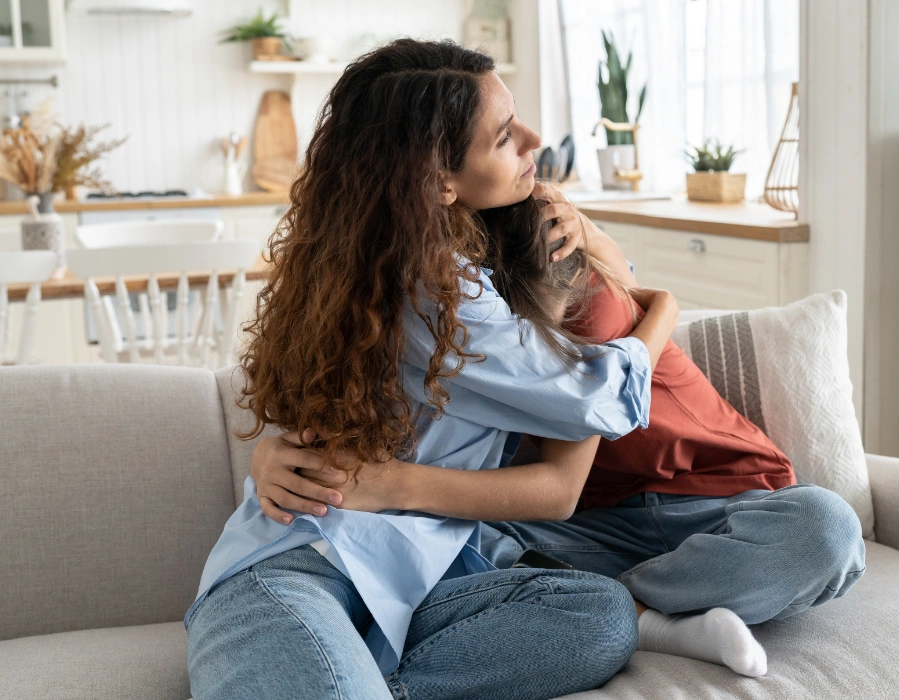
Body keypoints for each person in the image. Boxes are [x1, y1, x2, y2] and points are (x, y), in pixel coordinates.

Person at [186, 38, 682, 700]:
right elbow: (597, 395)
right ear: (438, 180)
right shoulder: (433, 289)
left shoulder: (410, 265)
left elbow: (597, 308)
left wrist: (588, 235)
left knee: (596, 617)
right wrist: (669, 309)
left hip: (421, 584)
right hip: (300, 570)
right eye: (505, 136)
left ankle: (365, 676)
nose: (534, 140)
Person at [258, 195, 867, 679]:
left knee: (823, 529)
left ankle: (637, 608)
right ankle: (652, 611)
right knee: (429, 545)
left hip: (719, 501)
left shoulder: (570, 289)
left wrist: (651, 299)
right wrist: (275, 456)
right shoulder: (450, 314)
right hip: (581, 530)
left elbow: (590, 407)